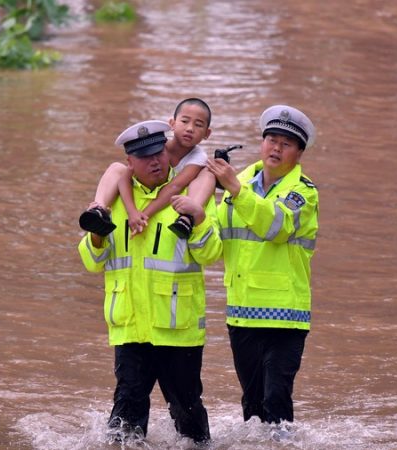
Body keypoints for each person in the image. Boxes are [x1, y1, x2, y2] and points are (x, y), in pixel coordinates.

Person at [77, 119, 223, 445]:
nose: (154, 161)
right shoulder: (111, 201)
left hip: (178, 330)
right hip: (130, 329)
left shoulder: (192, 194)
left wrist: (197, 221)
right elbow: (90, 261)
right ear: (130, 162)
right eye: (144, 157)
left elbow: (212, 254)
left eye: (158, 152)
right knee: (125, 421)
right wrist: (98, 239)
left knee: (189, 417)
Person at [205, 105, 319, 440]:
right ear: (261, 142)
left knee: (276, 402)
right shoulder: (234, 185)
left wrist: (234, 191)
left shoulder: (304, 193)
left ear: (299, 153)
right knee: (252, 409)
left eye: (286, 143)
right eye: (271, 139)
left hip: (286, 316)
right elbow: (213, 245)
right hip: (241, 314)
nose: (276, 147)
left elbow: (276, 225)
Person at [79, 98, 215, 239]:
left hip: (170, 195)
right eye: (184, 121)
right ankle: (98, 210)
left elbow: (175, 186)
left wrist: (144, 215)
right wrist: (132, 212)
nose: (190, 128)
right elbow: (124, 178)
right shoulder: (159, 146)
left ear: (207, 133)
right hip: (149, 187)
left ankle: (187, 218)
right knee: (116, 167)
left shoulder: (198, 157)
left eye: (198, 125)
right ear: (172, 124)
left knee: (209, 171)